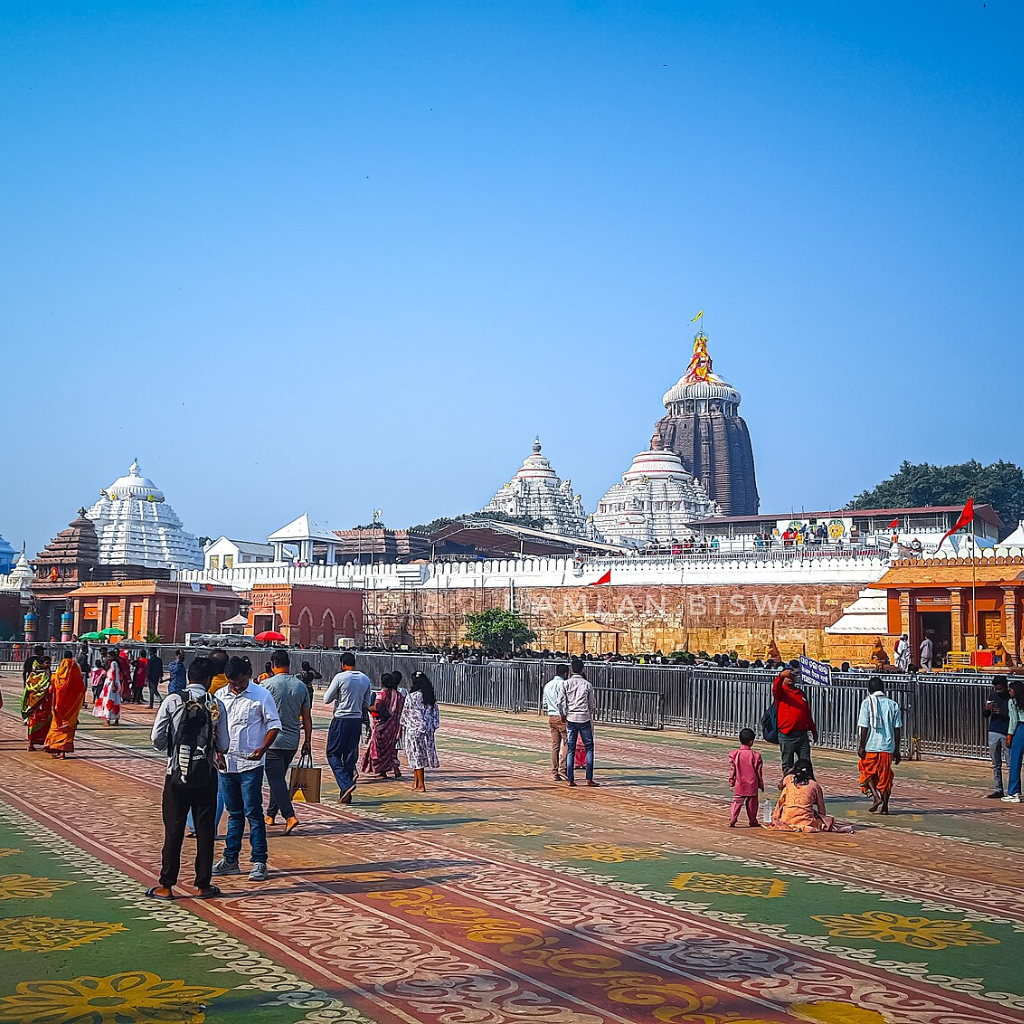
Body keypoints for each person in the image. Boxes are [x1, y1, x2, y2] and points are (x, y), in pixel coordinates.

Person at [148, 656, 230, 901]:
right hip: (206, 775)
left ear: (188, 677)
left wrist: (170, 746)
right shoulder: (216, 704)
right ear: (208, 680)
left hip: (176, 774)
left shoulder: (173, 700)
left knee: (173, 830)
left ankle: (166, 885)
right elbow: (224, 744)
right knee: (205, 831)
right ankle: (203, 884)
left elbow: (156, 738)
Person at [212, 656, 281, 882]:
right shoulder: (220, 696)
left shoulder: (261, 695)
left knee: (253, 812)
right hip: (226, 764)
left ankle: (259, 860)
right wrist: (216, 752)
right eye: (232, 683)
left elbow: (274, 725)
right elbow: (212, 727)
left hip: (251, 764)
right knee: (234, 814)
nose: (236, 687)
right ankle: (231, 859)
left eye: (240, 683)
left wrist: (263, 748)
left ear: (248, 675)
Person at [263, 650, 313, 835]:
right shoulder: (300, 686)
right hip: (292, 740)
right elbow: (307, 717)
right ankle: (270, 814)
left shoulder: (266, 685)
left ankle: (289, 815)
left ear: (273, 664)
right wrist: (307, 741)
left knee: (275, 779)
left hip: (272, 740)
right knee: (279, 778)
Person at [323, 652, 372, 803]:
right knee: (349, 755)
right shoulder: (365, 678)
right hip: (356, 720)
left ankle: (346, 783)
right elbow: (366, 704)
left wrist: (340, 695)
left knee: (333, 754)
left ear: (342, 664)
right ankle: (346, 794)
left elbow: (326, 699)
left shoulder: (340, 677)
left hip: (341, 719)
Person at [856, 677, 903, 814]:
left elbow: (864, 727)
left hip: (871, 745)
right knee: (885, 776)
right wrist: (897, 750)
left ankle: (876, 796)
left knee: (866, 771)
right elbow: (897, 729)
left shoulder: (866, 703)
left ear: (869, 690)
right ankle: (885, 807)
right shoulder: (893, 704)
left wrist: (861, 746)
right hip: (888, 747)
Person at [769, 759, 852, 832]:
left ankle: (778, 816)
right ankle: (840, 829)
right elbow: (822, 811)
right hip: (806, 822)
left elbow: (779, 786)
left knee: (785, 790)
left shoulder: (789, 779)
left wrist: (789, 772)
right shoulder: (815, 785)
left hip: (786, 820)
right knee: (825, 821)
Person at [558, 658, 598, 788]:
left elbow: (560, 702)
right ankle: (589, 779)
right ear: (582, 669)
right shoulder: (587, 684)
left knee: (571, 749)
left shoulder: (566, 684)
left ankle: (570, 779)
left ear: (571, 669)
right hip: (584, 718)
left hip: (570, 718)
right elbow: (592, 704)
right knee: (589, 748)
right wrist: (590, 713)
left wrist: (563, 713)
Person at [772, 665, 817, 775]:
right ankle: (788, 787)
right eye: (789, 677)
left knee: (806, 763)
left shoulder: (801, 693)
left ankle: (807, 787)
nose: (791, 679)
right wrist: (781, 675)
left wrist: (813, 730)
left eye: (793, 676)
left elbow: (807, 714)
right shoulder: (781, 692)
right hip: (787, 734)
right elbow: (775, 688)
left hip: (802, 734)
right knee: (788, 765)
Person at [401, 671, 440, 792]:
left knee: (416, 755)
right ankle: (416, 782)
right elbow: (435, 715)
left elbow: (407, 713)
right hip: (427, 730)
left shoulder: (412, 697)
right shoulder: (430, 697)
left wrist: (405, 725)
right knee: (420, 755)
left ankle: (421, 784)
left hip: (414, 729)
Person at [362, 672, 405, 779]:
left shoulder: (381, 695)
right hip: (393, 726)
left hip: (381, 725)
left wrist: (366, 707)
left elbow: (376, 707)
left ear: (382, 683)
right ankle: (392, 768)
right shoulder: (398, 695)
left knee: (378, 748)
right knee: (389, 748)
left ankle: (382, 771)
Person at [44, 650, 87, 759]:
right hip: (71, 705)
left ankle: (57, 749)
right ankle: (63, 752)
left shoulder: (61, 666)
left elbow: (54, 682)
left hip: (59, 704)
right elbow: (81, 686)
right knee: (68, 726)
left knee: (57, 725)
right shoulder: (75, 667)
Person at [728, 728, 764, 827]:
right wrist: (761, 784)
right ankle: (752, 821)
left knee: (737, 801)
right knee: (752, 803)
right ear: (751, 742)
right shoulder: (756, 755)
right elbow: (758, 772)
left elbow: (732, 770)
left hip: (740, 783)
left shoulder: (734, 754)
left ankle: (733, 818)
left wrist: (732, 782)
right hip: (752, 783)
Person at [984, 676, 1011, 798]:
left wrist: (1003, 713)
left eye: (1000, 689)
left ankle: (1012, 790)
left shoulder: (1011, 697)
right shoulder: (992, 696)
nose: (998, 691)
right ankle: (998, 789)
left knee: (1010, 763)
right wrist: (987, 709)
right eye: (996, 689)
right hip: (994, 730)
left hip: (1007, 731)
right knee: (996, 763)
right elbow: (985, 715)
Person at [543, 663, 569, 782]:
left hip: (551, 716)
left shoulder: (547, 685)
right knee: (567, 743)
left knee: (555, 745)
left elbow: (544, 703)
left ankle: (555, 772)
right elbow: (563, 702)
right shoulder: (563, 684)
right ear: (565, 673)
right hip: (561, 716)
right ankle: (563, 769)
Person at [21, 654, 53, 751]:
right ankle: (31, 744)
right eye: (46, 663)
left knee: (47, 723)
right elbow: (37, 688)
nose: (48, 665)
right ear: (41, 664)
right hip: (36, 704)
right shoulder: (35, 675)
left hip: (45, 703)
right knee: (33, 723)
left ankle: (46, 744)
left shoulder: (46, 674)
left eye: (49, 663)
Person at [1001, 678, 1024, 804]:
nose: (1009, 692)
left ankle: (1014, 792)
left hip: (1020, 730)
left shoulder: (1012, 702)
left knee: (1015, 762)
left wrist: (1009, 735)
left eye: (1010, 690)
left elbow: (1013, 720)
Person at [92, 653, 122, 726]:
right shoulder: (113, 663)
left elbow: (114, 674)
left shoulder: (113, 663)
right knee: (114, 700)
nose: (108, 657)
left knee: (109, 700)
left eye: (110, 656)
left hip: (111, 684)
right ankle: (115, 719)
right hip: (112, 683)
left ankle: (108, 720)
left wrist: (114, 684)